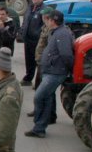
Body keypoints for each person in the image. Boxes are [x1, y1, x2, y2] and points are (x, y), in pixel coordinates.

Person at [26, 10, 74, 138]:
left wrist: (67, 69)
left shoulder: (62, 34)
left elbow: (66, 55)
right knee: (46, 97)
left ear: (52, 21)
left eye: (48, 19)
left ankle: (39, 126)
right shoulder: (56, 32)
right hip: (50, 70)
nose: (46, 21)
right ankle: (40, 127)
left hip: (55, 72)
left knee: (39, 96)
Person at [19, 0, 45, 86]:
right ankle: (28, 78)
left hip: (38, 41)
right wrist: (21, 32)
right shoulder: (29, 8)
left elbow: (45, 25)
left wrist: (39, 35)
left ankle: (39, 82)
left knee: (38, 61)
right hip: (28, 39)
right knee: (29, 60)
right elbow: (25, 22)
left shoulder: (44, 9)